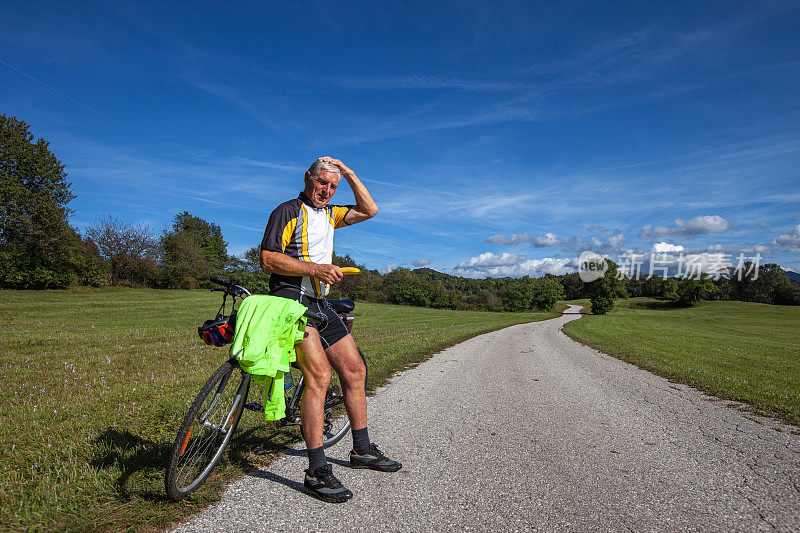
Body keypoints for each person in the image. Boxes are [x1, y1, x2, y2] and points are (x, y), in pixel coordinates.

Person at [259, 156, 401, 503]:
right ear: (308, 178)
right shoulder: (288, 210)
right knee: (320, 376)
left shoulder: (330, 214)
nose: (326, 190)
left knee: (355, 370)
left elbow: (370, 209)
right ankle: (316, 470)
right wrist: (316, 268)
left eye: (332, 186)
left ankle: (362, 449)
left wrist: (350, 172)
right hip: (291, 301)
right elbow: (267, 258)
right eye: (321, 182)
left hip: (320, 304)